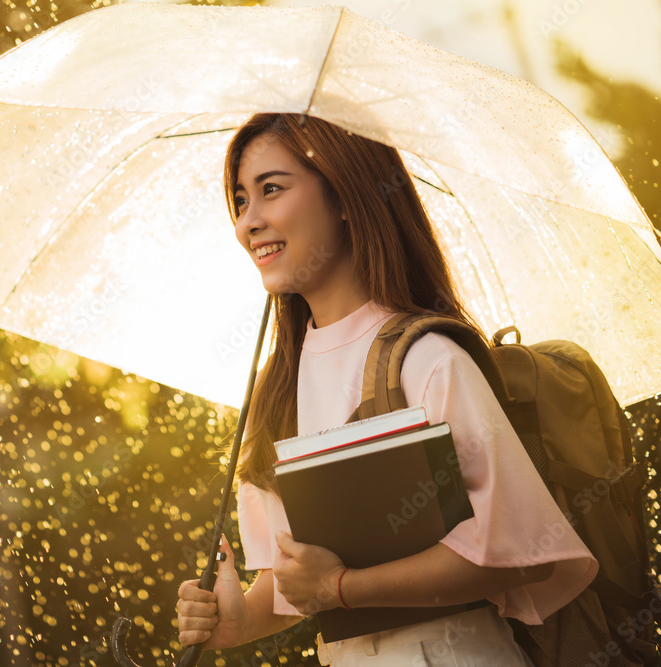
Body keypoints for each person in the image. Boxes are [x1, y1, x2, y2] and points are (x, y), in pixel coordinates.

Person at [175, 113, 598, 666]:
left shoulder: (426, 358)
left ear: (346, 196)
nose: (247, 222)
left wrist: (343, 587)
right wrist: (238, 621)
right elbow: (294, 586)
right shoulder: (273, 391)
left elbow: (519, 553)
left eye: (270, 190)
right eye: (238, 201)